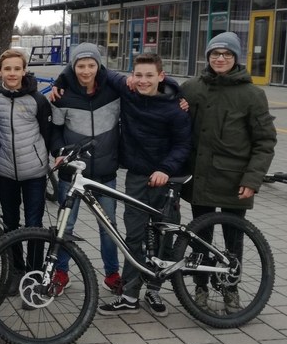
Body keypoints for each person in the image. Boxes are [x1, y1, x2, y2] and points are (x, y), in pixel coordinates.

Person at [181, 32, 276, 313]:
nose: (220, 59)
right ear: (208, 57)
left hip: (236, 181)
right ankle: (200, 287)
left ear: (235, 59)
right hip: (200, 178)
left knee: (234, 241)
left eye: (227, 54)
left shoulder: (252, 95)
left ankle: (230, 289)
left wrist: (253, 179)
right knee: (201, 237)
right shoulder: (191, 88)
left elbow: (265, 141)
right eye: (215, 54)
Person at [92, 53, 191, 316]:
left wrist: (165, 170)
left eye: (150, 75)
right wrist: (60, 84)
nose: (143, 80)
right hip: (136, 177)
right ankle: (129, 295)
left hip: (166, 180)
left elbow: (183, 145)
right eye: (138, 75)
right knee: (133, 237)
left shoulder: (174, 108)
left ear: (161, 76)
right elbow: (97, 69)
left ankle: (155, 291)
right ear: (131, 76)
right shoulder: (129, 92)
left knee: (163, 239)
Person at [49, 43, 122, 294]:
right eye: (81, 65)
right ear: (73, 66)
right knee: (65, 227)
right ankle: (60, 273)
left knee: (108, 227)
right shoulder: (63, 94)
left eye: (91, 65)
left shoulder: (113, 91)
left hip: (105, 172)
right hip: (72, 171)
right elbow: (55, 130)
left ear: (99, 65)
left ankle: (112, 274)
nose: (86, 70)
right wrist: (60, 153)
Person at [0, 49, 51, 294]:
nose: (12, 73)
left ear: (24, 70)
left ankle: (34, 273)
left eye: (17, 68)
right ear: (0, 72)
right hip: (5, 171)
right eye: (7, 69)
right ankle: (15, 270)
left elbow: (48, 133)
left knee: (34, 225)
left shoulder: (38, 99)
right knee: (10, 223)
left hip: (34, 171)